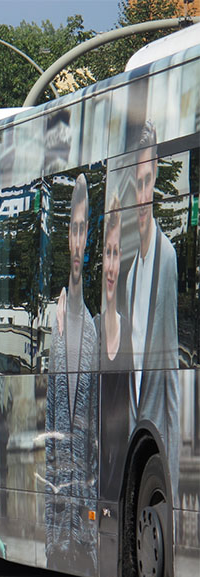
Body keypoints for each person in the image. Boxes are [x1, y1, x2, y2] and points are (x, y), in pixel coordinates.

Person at [44, 172, 99, 577]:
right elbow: (50, 434)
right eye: (73, 229)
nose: (78, 240)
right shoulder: (55, 322)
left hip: (85, 527)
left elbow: (94, 440)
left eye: (84, 230)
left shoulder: (92, 331)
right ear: (67, 237)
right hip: (57, 521)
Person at [125, 120, 180, 495]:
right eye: (137, 184)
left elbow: (171, 372)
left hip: (156, 444)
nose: (143, 196)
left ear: (156, 174)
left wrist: (172, 479)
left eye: (148, 181)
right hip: (134, 441)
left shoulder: (167, 259)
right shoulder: (130, 276)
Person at [96, 199, 132, 502]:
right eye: (107, 253)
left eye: (116, 253)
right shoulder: (91, 331)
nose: (110, 266)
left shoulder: (131, 334)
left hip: (121, 480)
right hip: (94, 480)